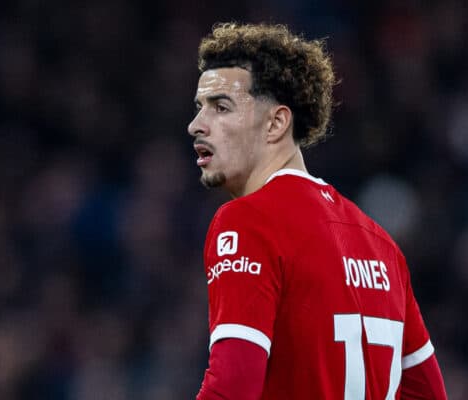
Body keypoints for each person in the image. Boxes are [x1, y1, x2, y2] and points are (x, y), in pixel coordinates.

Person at [188, 22, 447, 400]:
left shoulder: (248, 222)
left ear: (276, 122)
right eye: (200, 108)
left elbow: (232, 388)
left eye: (221, 107)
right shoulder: (381, 246)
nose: (196, 125)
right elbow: (430, 395)